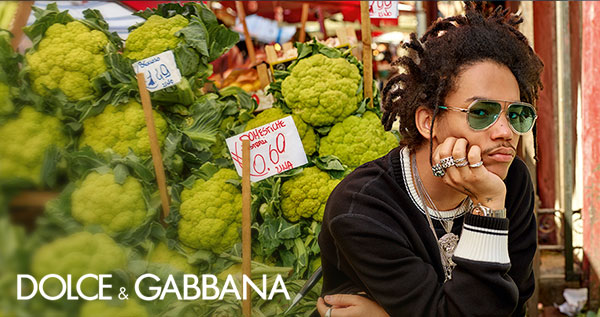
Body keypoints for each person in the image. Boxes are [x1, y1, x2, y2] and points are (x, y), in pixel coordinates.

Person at [315, 2, 543, 316]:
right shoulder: (363, 209)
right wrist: (489, 209)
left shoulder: (509, 182)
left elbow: (515, 305)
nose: (505, 131)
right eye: (481, 113)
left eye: (517, 114)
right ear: (428, 122)